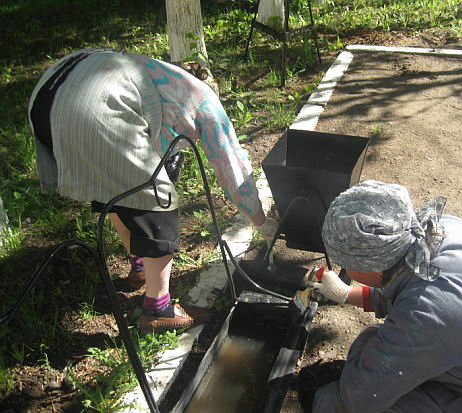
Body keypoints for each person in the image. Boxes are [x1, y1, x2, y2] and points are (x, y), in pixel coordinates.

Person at [28, 48, 277, 334]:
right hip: (93, 108)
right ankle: (158, 310)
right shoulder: (203, 98)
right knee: (157, 202)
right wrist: (261, 221)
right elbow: (230, 164)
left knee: (115, 190)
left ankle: (141, 267)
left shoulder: (158, 74)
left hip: (49, 95)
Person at [310, 180, 462, 412]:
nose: (345, 268)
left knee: (332, 401)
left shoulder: (422, 313)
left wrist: (360, 362)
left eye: (346, 263)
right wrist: (344, 293)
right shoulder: (434, 228)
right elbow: (409, 290)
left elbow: (358, 401)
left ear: (373, 266)